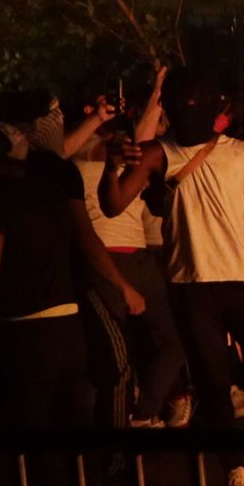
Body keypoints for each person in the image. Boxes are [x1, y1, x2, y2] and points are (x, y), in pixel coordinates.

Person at [98, 67, 244, 486]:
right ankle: (234, 468)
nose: (188, 111)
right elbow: (113, 205)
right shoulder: (157, 153)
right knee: (213, 383)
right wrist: (114, 163)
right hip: (191, 285)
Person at [0, 90, 149, 486]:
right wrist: (121, 284)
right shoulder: (56, 173)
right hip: (68, 310)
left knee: (38, 416)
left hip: (29, 320)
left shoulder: (4, 191)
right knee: (75, 404)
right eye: (51, 114)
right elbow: (84, 235)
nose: (60, 119)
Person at [74, 79, 191, 435]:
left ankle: (142, 412)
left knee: (170, 340)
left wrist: (157, 87)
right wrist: (98, 122)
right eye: (105, 104)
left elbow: (145, 128)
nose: (115, 108)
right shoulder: (83, 150)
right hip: (106, 259)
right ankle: (124, 425)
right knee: (119, 352)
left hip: (139, 257)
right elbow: (80, 149)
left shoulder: (130, 150)